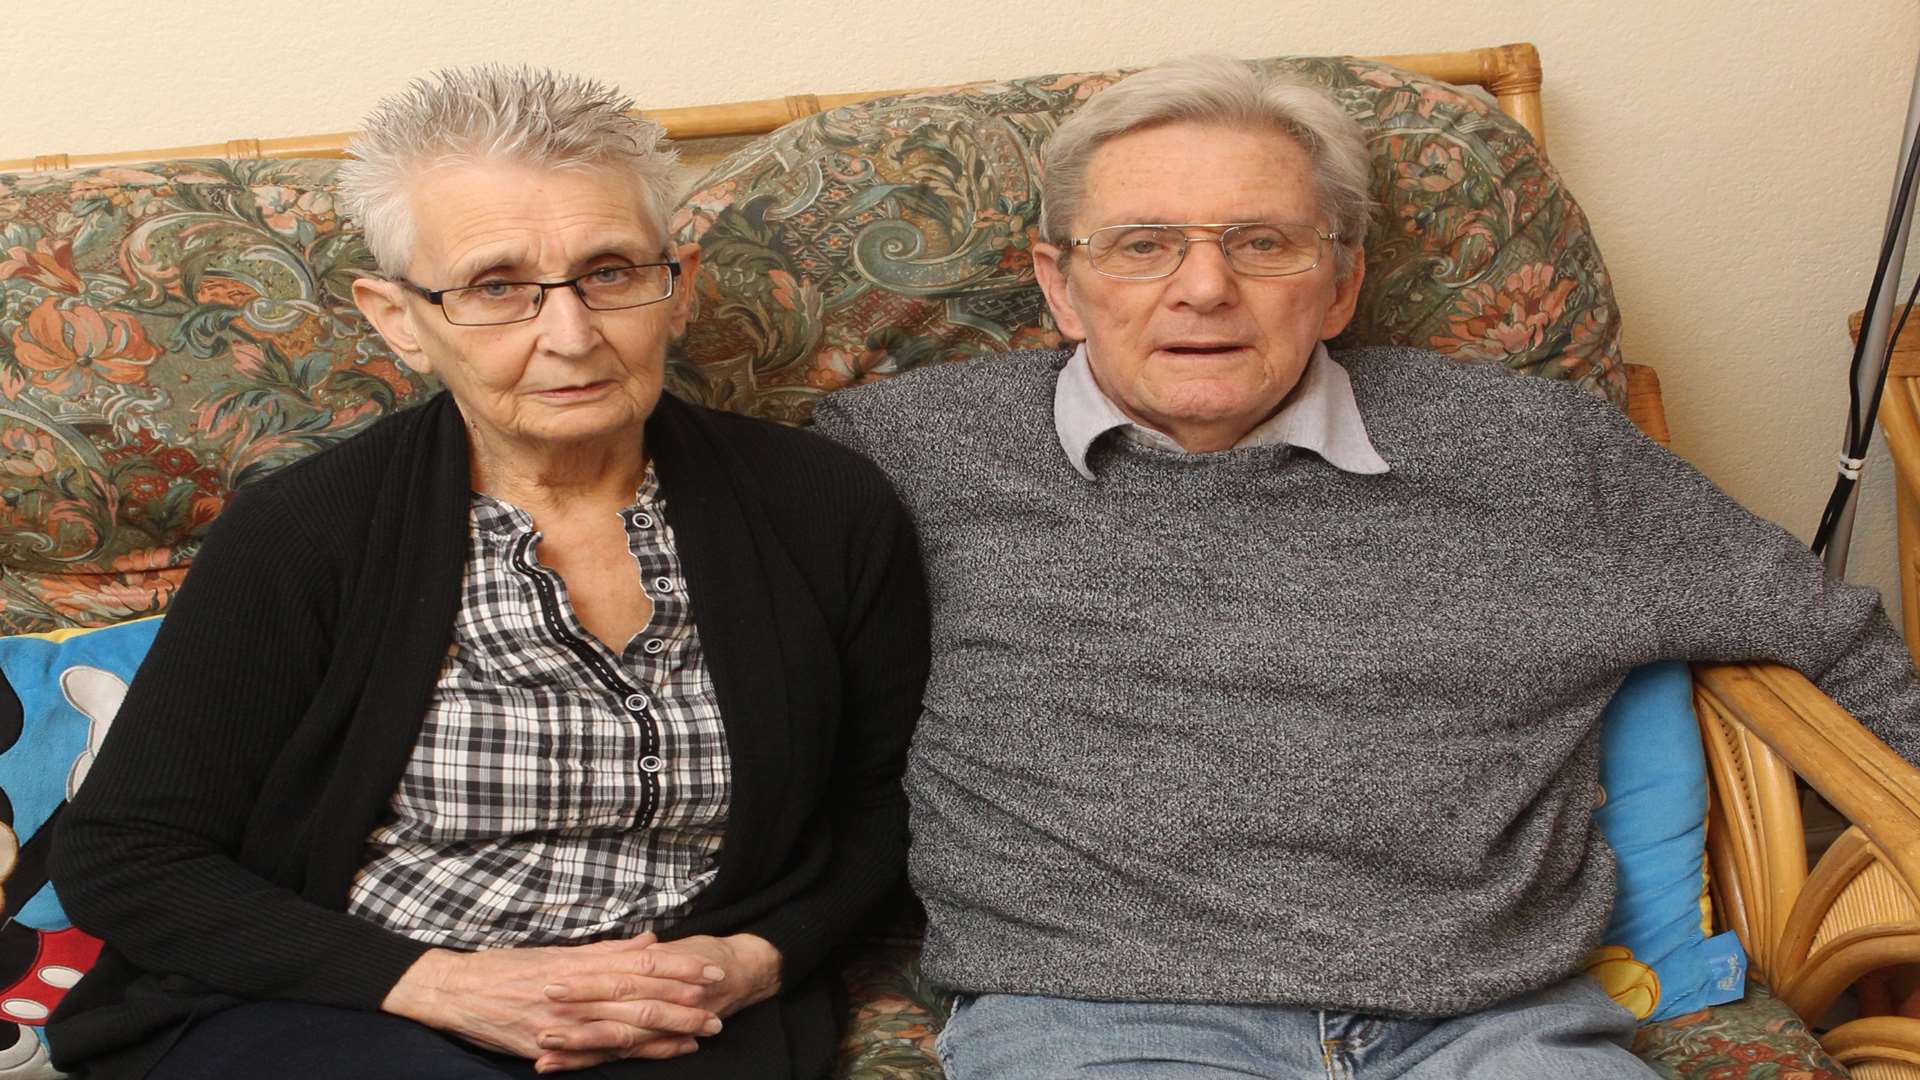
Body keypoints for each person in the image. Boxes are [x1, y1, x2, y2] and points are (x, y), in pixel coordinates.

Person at [810, 55, 1920, 1079]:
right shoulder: (896, 454)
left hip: (1493, 1021)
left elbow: (1826, 634)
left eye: (1263, 242)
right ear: (1059, 284)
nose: (1203, 289)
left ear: (1339, 283)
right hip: (1102, 1016)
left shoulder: (1535, 449)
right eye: (1142, 245)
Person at [48, 66, 927, 1080]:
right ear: (396, 316)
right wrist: (444, 985)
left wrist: (754, 961)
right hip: (355, 1006)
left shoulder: (822, 508)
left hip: (677, 1018)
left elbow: (886, 804)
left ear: (675, 286)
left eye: (609, 272)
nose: (570, 335)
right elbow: (126, 854)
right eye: (496, 286)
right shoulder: (306, 531)